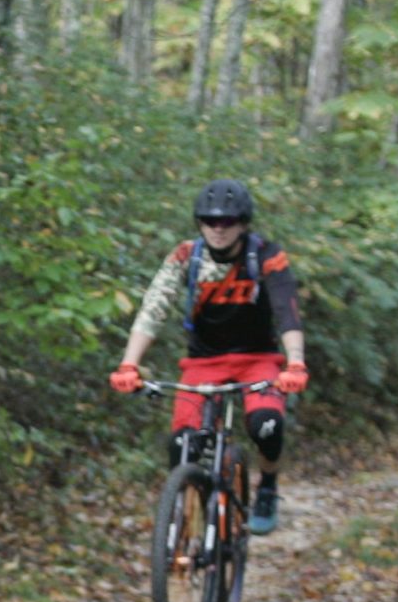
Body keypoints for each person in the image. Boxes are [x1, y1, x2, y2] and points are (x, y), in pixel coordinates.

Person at [108, 178, 310, 533]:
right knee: (182, 443)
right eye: (209, 221)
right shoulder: (188, 255)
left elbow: (286, 312)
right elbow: (154, 308)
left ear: (243, 223)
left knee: (267, 425)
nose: (218, 229)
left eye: (227, 222)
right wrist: (129, 363)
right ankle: (193, 520)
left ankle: (267, 487)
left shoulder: (266, 255)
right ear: (199, 222)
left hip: (258, 360)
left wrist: (295, 361)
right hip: (202, 364)